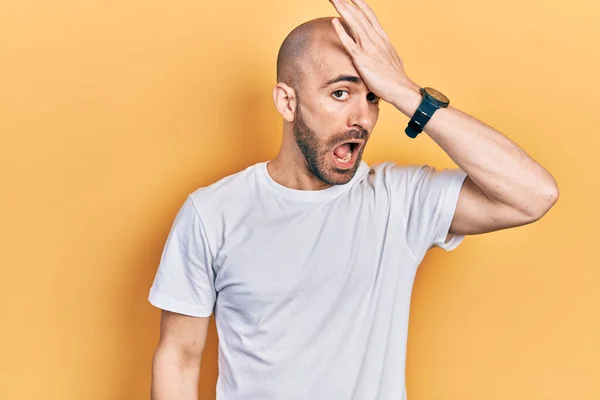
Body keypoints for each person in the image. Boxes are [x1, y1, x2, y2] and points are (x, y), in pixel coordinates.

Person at [148, 0, 559, 398]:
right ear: (287, 101)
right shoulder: (212, 213)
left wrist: (406, 93)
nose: (361, 118)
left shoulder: (400, 201)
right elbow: (179, 358)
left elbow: (533, 195)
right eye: (341, 94)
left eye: (372, 96)